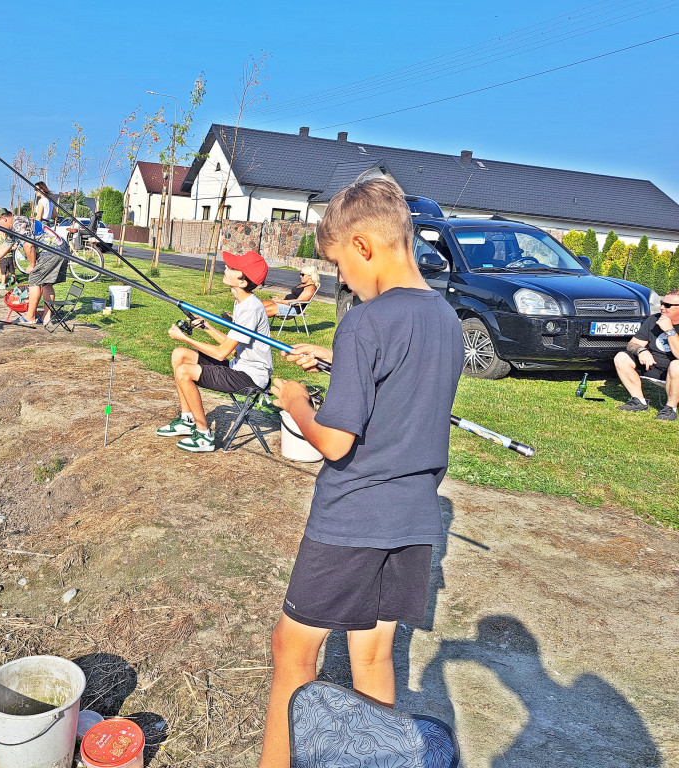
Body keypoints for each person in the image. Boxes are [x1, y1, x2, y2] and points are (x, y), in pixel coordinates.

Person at [258, 178, 464, 768]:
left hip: (350, 520)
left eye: (340, 265)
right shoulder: (446, 319)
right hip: (413, 521)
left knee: (291, 654)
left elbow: (336, 442)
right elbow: (402, 382)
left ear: (363, 244)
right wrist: (337, 360)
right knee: (372, 660)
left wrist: (297, 403)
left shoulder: (364, 322)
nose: (342, 280)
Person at [156, 250, 273, 452]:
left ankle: (203, 435)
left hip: (250, 377)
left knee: (184, 371)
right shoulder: (242, 302)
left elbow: (221, 353)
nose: (226, 268)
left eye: (233, 268)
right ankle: (187, 419)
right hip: (239, 366)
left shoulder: (251, 309)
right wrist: (207, 327)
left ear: (243, 282)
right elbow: (231, 343)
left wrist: (184, 337)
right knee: (179, 354)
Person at [0, 208, 69, 325]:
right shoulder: (16, 224)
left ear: (3, 218)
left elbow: (28, 245)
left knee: (34, 280)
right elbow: (5, 246)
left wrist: (32, 265)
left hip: (50, 251)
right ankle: (46, 318)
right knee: (47, 284)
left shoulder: (18, 224)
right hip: (61, 248)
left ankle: (30, 317)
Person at [613, 289, 679, 420]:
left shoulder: (666, 325)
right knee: (621, 357)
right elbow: (632, 344)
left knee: (676, 365)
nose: (661, 307)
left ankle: (670, 409)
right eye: (661, 303)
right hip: (652, 366)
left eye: (667, 305)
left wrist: (669, 330)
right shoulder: (653, 320)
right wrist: (641, 351)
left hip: (675, 372)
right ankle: (638, 401)